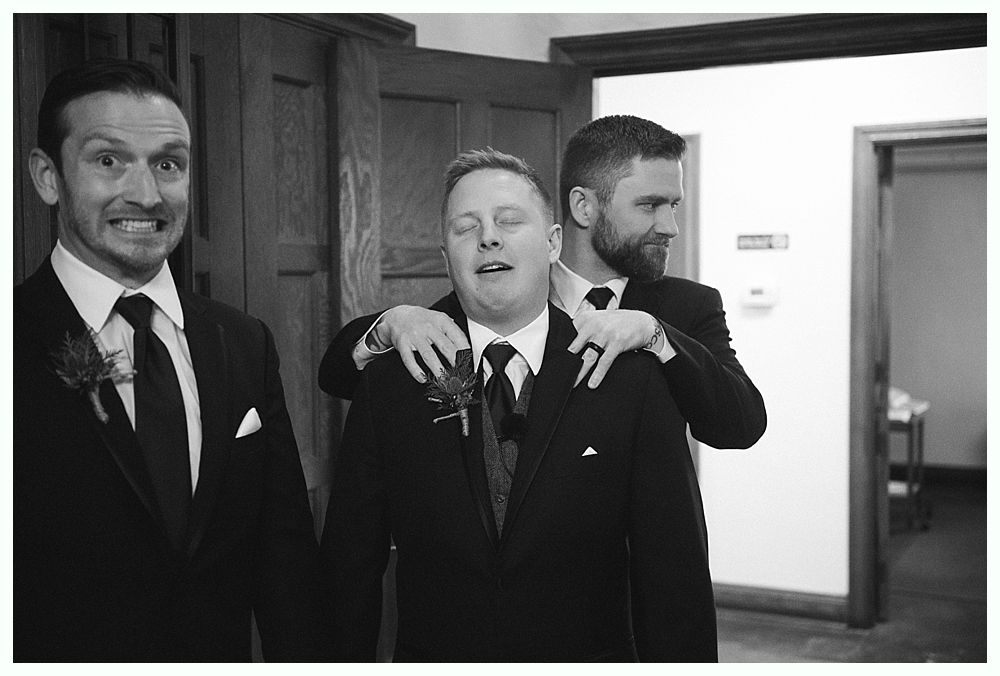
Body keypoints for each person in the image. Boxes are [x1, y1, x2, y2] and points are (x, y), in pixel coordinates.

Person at [321, 149, 717, 661]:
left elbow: (672, 570)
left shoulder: (630, 377)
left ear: (553, 243)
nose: (488, 237)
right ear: (446, 257)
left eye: (509, 221)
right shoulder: (393, 382)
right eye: (466, 228)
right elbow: (349, 567)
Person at [13, 58, 329, 661]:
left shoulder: (242, 343)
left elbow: (284, 562)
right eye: (109, 161)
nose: (146, 193)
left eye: (168, 164)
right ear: (48, 177)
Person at [318, 115, 765, 451]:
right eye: (650, 205)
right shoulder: (496, 290)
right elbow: (338, 378)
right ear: (584, 208)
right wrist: (389, 324)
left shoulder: (688, 306)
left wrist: (658, 336)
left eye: (673, 205)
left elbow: (739, 426)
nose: (670, 226)